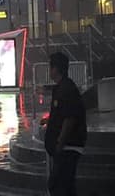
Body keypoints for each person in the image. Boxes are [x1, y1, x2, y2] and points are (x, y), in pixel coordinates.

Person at [43, 52, 85, 196]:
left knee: (57, 184)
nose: (49, 71)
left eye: (50, 67)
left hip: (68, 147)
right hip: (64, 147)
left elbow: (70, 118)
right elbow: (61, 114)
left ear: (56, 69)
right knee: (65, 186)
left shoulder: (66, 89)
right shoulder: (61, 88)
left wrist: (60, 143)